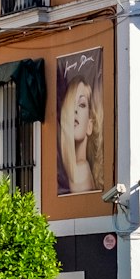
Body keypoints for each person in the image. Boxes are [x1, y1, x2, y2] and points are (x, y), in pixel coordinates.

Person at [56, 54, 104, 195]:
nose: (75, 109)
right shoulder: (74, 169)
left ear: (90, 125)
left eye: (82, 104)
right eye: (72, 103)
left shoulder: (81, 170)